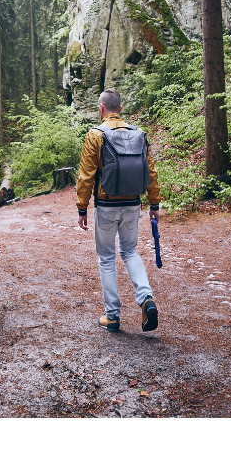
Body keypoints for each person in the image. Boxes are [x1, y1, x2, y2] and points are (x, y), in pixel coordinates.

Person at [77, 88, 161, 332]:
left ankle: (112, 316)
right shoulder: (139, 134)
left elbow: (86, 175)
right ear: (120, 110)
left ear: (102, 108)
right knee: (130, 251)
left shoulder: (95, 135)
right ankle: (146, 298)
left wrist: (82, 208)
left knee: (106, 258)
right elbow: (151, 172)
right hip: (133, 204)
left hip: (106, 206)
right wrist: (154, 204)